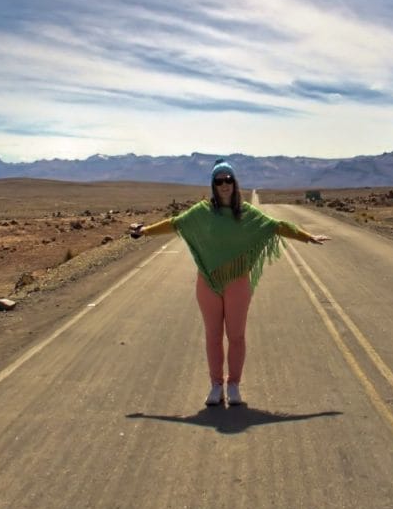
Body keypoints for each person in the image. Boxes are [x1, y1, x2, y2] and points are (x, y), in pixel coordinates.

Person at [130, 159, 330, 407]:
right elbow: (175, 223)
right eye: (219, 181)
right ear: (213, 185)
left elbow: (276, 226)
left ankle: (233, 384)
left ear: (234, 184)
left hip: (238, 283)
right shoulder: (202, 212)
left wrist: (307, 237)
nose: (224, 185)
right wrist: (145, 231)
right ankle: (216, 386)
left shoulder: (247, 215)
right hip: (208, 283)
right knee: (213, 336)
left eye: (228, 180)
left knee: (236, 335)